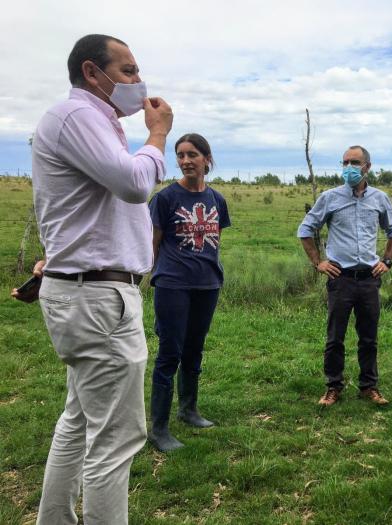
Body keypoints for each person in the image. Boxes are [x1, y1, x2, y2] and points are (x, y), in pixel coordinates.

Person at [11, 34, 172, 524]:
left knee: (79, 423)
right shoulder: (77, 116)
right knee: (115, 440)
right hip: (98, 296)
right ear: (91, 72)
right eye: (127, 71)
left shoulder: (93, 124)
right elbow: (133, 183)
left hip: (92, 291)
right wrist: (159, 136)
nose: (137, 81)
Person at [297, 145, 392, 407]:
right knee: (335, 337)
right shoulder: (330, 198)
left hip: (368, 278)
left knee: (369, 337)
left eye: (354, 163)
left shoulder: (379, 198)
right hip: (340, 278)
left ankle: (369, 386)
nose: (348, 168)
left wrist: (387, 261)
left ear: (367, 166)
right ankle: (333, 387)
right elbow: (305, 229)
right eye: (344, 163)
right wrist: (318, 262)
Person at [147, 133, 230, 451]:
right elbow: (152, 244)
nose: (185, 161)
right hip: (172, 285)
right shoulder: (165, 199)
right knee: (170, 353)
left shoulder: (217, 200)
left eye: (192, 154)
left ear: (207, 159)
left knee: (194, 349)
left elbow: (215, 239)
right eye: (180, 155)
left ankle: (188, 409)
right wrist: (143, 279)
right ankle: (159, 428)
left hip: (207, 284)